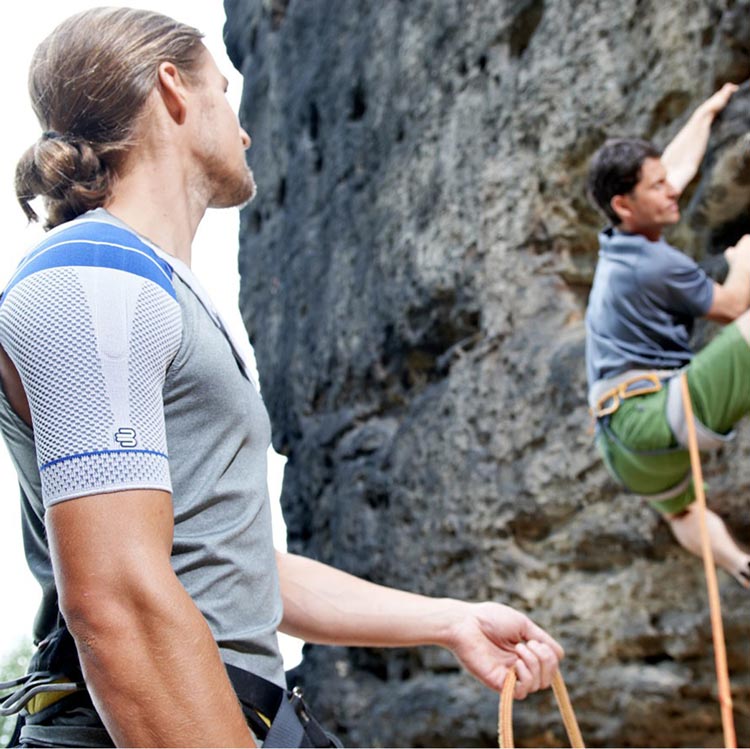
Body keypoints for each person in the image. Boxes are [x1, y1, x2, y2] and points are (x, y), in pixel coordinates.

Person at [0, 7, 563, 748]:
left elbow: (229, 561)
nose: (245, 128)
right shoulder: (88, 280)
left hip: (243, 712)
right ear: (173, 89)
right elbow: (118, 599)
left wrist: (449, 618)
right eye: (225, 92)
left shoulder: (150, 288)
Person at [585, 82, 750, 589]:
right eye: (656, 188)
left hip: (623, 449)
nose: (670, 189)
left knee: (684, 514)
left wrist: (706, 114)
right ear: (624, 203)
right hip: (650, 415)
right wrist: (744, 259)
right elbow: (733, 306)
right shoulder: (654, 264)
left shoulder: (620, 241)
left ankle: (740, 566)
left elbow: (674, 170)